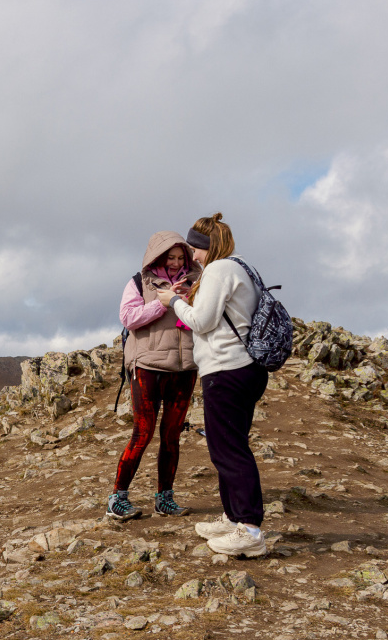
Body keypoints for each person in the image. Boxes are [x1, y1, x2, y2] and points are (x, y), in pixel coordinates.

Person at [156, 212, 269, 558]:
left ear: (206, 246)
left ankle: (249, 531)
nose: (191, 255)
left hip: (226, 369)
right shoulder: (240, 267)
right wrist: (193, 296)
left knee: (229, 450)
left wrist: (173, 302)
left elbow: (202, 322)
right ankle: (234, 518)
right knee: (228, 444)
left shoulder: (219, 270)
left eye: (194, 248)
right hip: (244, 369)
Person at [108, 231, 201, 521]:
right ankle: (117, 499)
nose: (175, 263)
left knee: (172, 436)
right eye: (169, 258)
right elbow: (128, 318)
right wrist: (164, 302)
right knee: (142, 434)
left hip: (185, 368)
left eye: (180, 257)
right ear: (157, 257)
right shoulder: (139, 282)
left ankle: (165, 499)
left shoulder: (198, 281)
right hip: (147, 367)